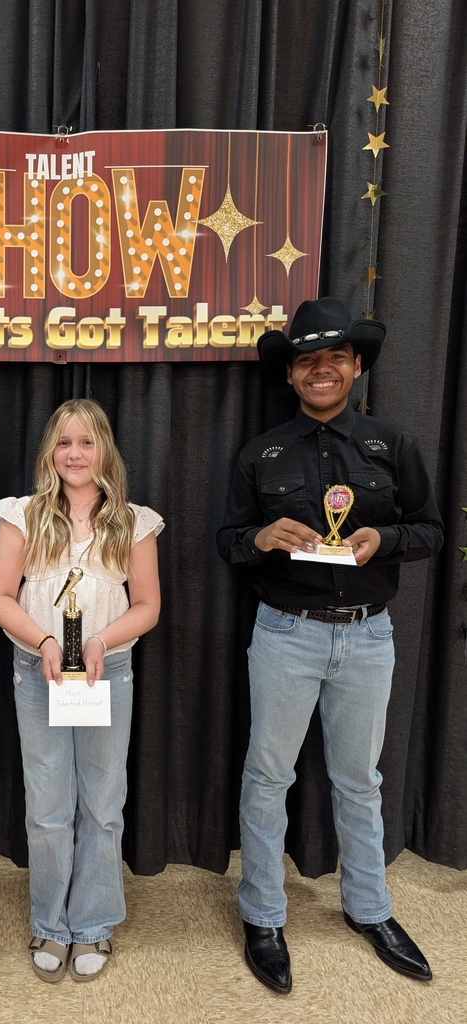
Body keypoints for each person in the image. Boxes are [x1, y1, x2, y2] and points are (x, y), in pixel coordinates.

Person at [216, 297, 443, 994]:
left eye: (334, 358)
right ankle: (261, 915)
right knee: (266, 779)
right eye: (305, 359)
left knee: (360, 781)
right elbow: (227, 542)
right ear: (289, 374)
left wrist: (386, 540)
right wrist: (259, 537)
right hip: (284, 633)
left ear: (355, 366)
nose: (320, 370)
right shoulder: (261, 455)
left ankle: (369, 909)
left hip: (368, 633)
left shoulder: (391, 443)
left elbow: (430, 530)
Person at [0, 398, 162, 983]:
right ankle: (50, 922)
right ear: (50, 452)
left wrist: (101, 642)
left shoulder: (135, 521)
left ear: (104, 449)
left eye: (87, 442)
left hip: (106, 673)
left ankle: (93, 923)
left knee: (103, 804)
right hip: (38, 675)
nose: (75, 454)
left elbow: (147, 607)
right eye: (64, 443)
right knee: (49, 808)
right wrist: (43, 643)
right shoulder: (22, 516)